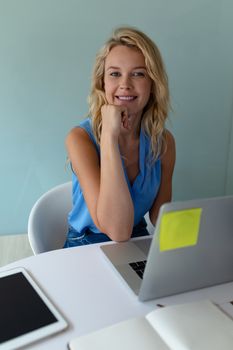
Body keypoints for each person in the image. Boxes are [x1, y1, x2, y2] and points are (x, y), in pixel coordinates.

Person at [63, 26, 176, 248]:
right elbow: (118, 230)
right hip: (85, 245)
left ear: (152, 84)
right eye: (115, 73)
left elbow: (160, 218)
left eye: (138, 73)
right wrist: (109, 136)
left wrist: (200, 234)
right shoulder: (80, 139)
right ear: (102, 83)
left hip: (137, 238)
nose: (125, 84)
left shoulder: (163, 143)